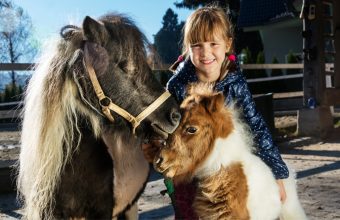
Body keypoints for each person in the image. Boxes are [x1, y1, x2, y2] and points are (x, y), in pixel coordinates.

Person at [143, 5, 289, 219]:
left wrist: (277, 173)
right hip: (188, 164)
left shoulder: (235, 82)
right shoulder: (178, 85)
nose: (206, 52)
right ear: (188, 49)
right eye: (197, 45)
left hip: (223, 166)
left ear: (227, 44)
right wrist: (158, 150)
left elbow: (256, 125)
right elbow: (162, 124)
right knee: (187, 209)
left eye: (213, 44)